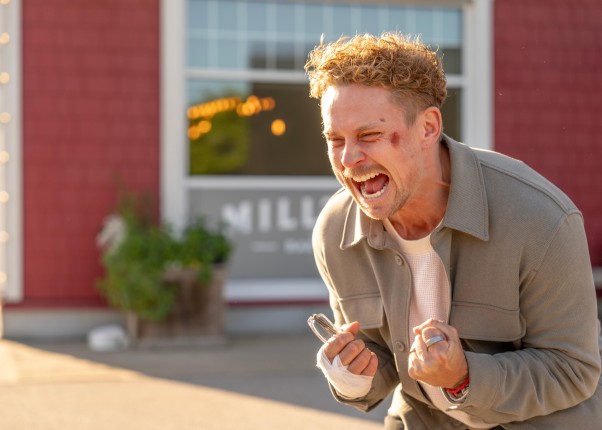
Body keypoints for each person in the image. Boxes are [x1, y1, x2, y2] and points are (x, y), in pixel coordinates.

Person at [305, 32, 602, 429]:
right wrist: (350, 376)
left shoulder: (541, 218)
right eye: (335, 139)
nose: (348, 159)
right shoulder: (334, 230)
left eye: (369, 136)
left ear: (428, 127)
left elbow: (573, 370)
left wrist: (463, 378)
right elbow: (381, 357)